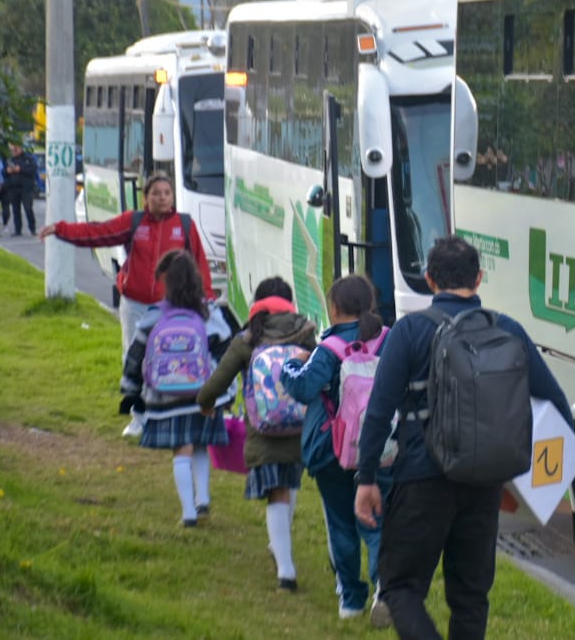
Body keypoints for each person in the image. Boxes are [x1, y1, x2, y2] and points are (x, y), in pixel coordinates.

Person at [353, 236, 573, 640]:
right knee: (471, 598)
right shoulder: (507, 329)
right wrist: (550, 479)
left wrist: (367, 478)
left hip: (421, 479)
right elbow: (556, 402)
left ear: (429, 280)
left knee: (400, 586)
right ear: (479, 278)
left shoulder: (409, 332)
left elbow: (379, 410)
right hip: (484, 484)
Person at [41, 171, 215, 438]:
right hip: (134, 304)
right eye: (156, 193)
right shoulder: (133, 221)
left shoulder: (185, 225)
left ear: (173, 196)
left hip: (169, 307)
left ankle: (167, 413)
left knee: (170, 359)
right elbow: (98, 233)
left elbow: (198, 265)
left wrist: (206, 299)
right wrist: (61, 230)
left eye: (167, 193)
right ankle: (138, 417)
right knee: (133, 359)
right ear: (146, 197)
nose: (162, 198)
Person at [282, 274, 393, 625]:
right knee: (376, 521)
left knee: (342, 525)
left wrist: (292, 364)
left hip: (331, 451)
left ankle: (351, 599)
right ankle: (385, 586)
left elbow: (302, 388)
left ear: (333, 308)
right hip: (379, 450)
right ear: (370, 304)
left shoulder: (328, 350)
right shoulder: (388, 341)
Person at [197, 277, 315, 592]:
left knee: (276, 490)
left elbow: (217, 381)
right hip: (301, 428)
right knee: (289, 484)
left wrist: (205, 404)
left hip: (264, 431)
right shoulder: (305, 333)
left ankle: (286, 570)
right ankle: (281, 548)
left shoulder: (249, 338)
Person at [120, 249, 234, 528]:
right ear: (196, 279)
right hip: (203, 394)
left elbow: (134, 355)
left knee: (180, 450)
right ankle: (203, 499)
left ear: (166, 282)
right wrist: (224, 391)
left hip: (165, 394)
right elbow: (227, 352)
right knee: (199, 445)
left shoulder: (155, 315)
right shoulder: (210, 312)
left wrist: (130, 390)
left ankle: (188, 514)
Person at [3, 141, 38, 236]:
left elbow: (33, 169)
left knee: (28, 209)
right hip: (13, 188)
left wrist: (20, 169)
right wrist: (8, 171)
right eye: (12, 150)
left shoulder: (28, 158)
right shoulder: (10, 160)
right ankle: (17, 230)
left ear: (20, 148)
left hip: (26, 188)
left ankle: (32, 229)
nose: (14, 151)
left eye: (16, 149)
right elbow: (4, 172)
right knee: (15, 210)